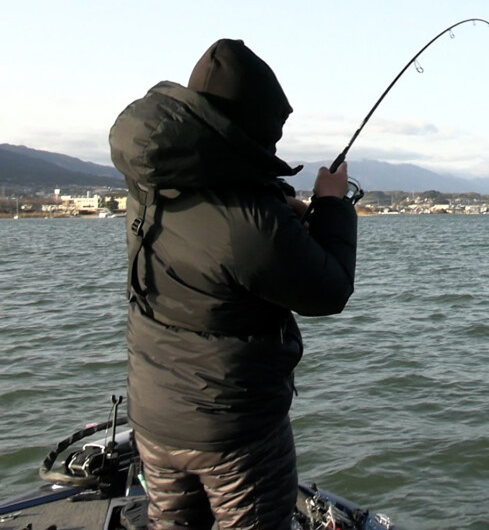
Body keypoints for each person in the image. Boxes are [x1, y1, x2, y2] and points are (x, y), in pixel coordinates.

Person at [109, 39, 357, 529]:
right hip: (234, 433)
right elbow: (329, 290)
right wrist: (332, 204)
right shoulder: (250, 221)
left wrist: (275, 209)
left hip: (154, 413)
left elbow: (212, 237)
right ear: (250, 126)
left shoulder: (149, 180)